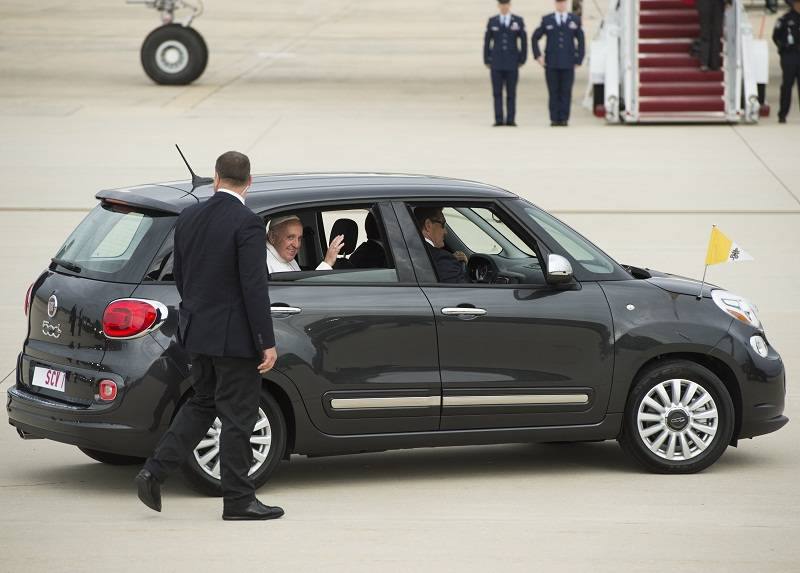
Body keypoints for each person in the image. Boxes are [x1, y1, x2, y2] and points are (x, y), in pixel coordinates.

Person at [135, 151, 284, 521]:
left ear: (216, 178)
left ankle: (153, 472)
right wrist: (266, 340)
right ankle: (238, 501)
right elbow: (254, 287)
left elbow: (181, 276)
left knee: (203, 404)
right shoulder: (248, 223)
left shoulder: (189, 216)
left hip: (197, 332)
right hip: (235, 340)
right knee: (237, 417)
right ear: (249, 183)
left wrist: (198, 316)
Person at [532, 0, 585, 126]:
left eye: (563, 3)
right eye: (558, 3)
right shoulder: (547, 20)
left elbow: (581, 40)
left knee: (566, 91)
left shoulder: (574, 19)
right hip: (552, 63)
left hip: (568, 62)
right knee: (553, 91)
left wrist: (579, 59)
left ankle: (564, 118)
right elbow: (535, 37)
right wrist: (538, 56)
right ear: (555, 4)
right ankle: (554, 118)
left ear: (566, 4)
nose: (561, 5)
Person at [484, 0, 527, 126]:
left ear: (509, 5)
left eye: (506, 4)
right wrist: (486, 58)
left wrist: (522, 58)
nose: (504, 7)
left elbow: (523, 41)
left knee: (511, 92)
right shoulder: (493, 21)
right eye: (502, 4)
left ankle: (511, 119)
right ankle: (498, 119)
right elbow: (487, 42)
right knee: (497, 92)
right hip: (496, 62)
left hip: (512, 62)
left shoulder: (517, 21)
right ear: (498, 6)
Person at [266, 215, 344, 273]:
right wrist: (327, 263)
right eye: (290, 237)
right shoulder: (264, 266)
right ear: (272, 237)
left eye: (299, 238)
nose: (296, 245)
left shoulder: (285, 256)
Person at [414, 206, 469, 283]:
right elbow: (467, 292)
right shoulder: (442, 260)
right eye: (443, 224)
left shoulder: (405, 251)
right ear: (428, 225)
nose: (445, 232)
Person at [774, 0, 800, 123]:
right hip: (790, 57)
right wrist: (783, 49)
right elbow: (776, 36)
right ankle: (782, 114)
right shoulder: (785, 19)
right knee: (787, 86)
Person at [696, 0, 727, 71]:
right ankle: (704, 63)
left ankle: (714, 63)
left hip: (718, 3)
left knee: (717, 32)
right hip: (704, 2)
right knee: (705, 32)